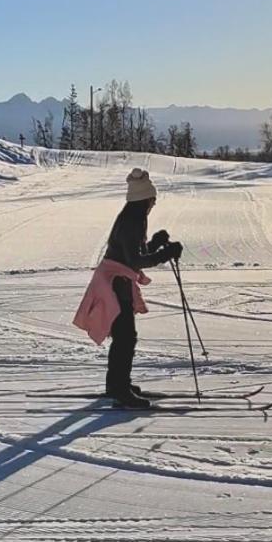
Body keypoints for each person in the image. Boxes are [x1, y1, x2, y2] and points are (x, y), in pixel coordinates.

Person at [72, 168, 182, 409]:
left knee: (123, 337)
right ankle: (120, 389)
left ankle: (116, 384)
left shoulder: (132, 217)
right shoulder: (132, 220)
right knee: (125, 337)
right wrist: (165, 253)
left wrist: (155, 243)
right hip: (113, 285)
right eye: (153, 199)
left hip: (116, 283)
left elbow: (134, 254)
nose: (154, 203)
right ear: (145, 199)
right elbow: (135, 261)